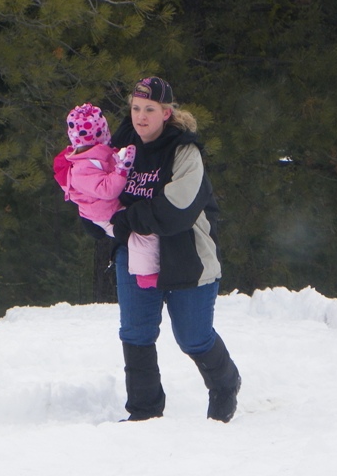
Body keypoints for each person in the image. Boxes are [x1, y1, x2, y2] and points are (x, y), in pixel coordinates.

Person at [103, 76, 241, 422]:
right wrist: (97, 218)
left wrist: (129, 218)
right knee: (136, 332)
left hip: (186, 254)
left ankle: (225, 384)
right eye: (136, 108)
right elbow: (99, 192)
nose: (141, 116)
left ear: (167, 112)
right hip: (135, 253)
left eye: (150, 109)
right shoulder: (122, 147)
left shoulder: (185, 151)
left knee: (193, 338)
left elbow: (177, 209)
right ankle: (144, 412)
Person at [54, 103, 160, 288]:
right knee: (140, 235)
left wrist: (120, 161)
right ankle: (146, 275)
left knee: (144, 226)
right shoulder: (81, 168)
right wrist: (122, 171)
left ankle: (150, 267)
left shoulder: (97, 155)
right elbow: (107, 189)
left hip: (110, 208)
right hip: (104, 216)